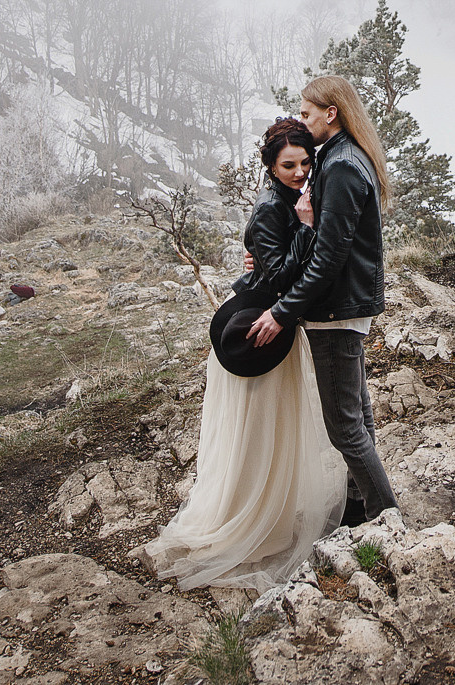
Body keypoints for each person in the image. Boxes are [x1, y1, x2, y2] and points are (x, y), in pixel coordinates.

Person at [143, 118, 347, 590]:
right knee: (256, 434)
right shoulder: (278, 211)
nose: (299, 172)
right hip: (258, 335)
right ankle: (247, 526)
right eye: (288, 165)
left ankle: (265, 520)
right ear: (271, 167)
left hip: (270, 328)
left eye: (304, 162)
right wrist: (306, 227)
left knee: (268, 433)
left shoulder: (288, 198)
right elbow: (277, 280)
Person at [248, 75, 399, 526]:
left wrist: (281, 311)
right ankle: (359, 509)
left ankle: (385, 518)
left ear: (330, 113)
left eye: (308, 113)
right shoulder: (338, 159)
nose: (303, 119)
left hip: (336, 310)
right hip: (344, 305)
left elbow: (330, 256)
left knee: (345, 427)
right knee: (358, 415)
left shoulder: (341, 166)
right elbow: (322, 243)